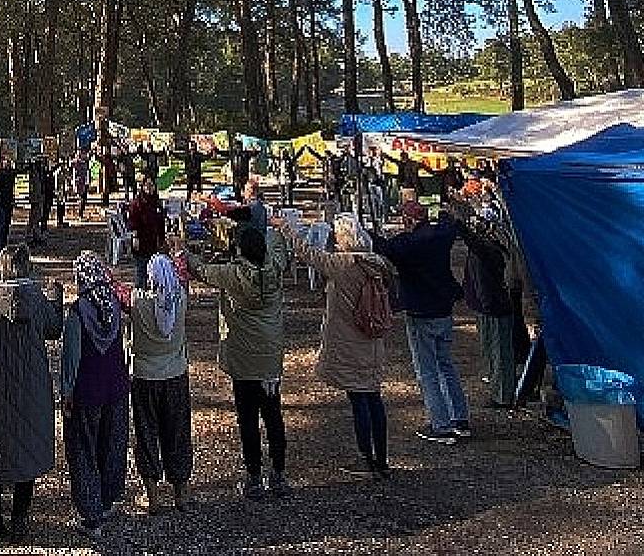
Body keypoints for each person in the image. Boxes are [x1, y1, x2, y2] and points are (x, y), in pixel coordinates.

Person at [275, 214, 397, 479]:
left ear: (343, 237)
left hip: (351, 340)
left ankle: (366, 457)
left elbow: (307, 253)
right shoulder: (377, 263)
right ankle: (382, 458)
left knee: (359, 399)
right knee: (374, 397)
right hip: (373, 339)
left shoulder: (343, 264)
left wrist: (287, 230)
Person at [186, 226, 290, 499]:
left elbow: (202, 270)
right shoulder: (275, 266)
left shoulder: (234, 274)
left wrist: (184, 254)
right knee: (273, 415)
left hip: (243, 357)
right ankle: (279, 473)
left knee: (247, 418)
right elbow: (277, 240)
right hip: (270, 355)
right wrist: (273, 227)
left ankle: (254, 477)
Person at [0, 244, 64, 543]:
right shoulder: (37, 297)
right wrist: (56, 297)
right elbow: (53, 328)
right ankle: (21, 517)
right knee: (27, 447)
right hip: (32, 382)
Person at [373, 200, 470, 444]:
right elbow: (450, 222)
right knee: (446, 365)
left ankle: (440, 424)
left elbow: (381, 246)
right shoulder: (440, 236)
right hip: (443, 308)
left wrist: (367, 232)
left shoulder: (407, 245)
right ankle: (460, 418)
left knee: (427, 370)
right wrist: (444, 212)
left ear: (407, 220)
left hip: (420, 311)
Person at [60, 252, 130, 538]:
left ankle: (91, 514)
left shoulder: (78, 313)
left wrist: (66, 392)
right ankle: (108, 498)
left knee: (84, 451)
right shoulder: (113, 304)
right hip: (115, 387)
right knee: (111, 446)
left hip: (87, 391)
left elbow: (71, 358)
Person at [128, 253, 193, 514]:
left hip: (145, 376)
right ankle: (181, 493)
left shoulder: (137, 302)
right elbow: (183, 273)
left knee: (146, 433)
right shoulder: (181, 301)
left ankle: (152, 494)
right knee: (177, 431)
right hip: (175, 374)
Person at [454, 203, 516, 408]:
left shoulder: (489, 250)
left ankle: (503, 395)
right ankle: (499, 390)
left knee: (500, 355)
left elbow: (476, 245)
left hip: (493, 307)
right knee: (493, 352)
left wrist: (458, 226)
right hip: (487, 306)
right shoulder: (488, 248)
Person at [126, 176, 165, 287]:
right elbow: (132, 222)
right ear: (142, 187)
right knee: (141, 270)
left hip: (153, 242)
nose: (149, 188)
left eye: (151, 185)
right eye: (147, 185)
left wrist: (162, 238)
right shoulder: (136, 203)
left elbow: (160, 220)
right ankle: (140, 295)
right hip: (141, 242)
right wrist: (135, 237)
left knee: (153, 272)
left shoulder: (156, 202)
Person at [0, 157, 18, 244]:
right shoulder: (11, 174)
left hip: (1, 200)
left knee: (1, 220)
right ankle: (4, 239)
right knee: (6, 221)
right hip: (7, 200)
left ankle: (1, 238)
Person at [26, 157, 48, 246]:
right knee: (34, 218)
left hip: (39, 197)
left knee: (37, 217)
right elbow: (33, 188)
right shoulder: (34, 174)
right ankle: (32, 237)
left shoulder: (38, 173)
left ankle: (36, 236)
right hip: (36, 198)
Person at [72, 149, 90, 219]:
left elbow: (87, 173)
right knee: (82, 198)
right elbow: (75, 174)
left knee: (84, 199)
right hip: (80, 182)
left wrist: (88, 182)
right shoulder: (77, 163)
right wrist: (74, 183)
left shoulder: (85, 162)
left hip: (85, 182)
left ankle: (81, 213)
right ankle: (80, 214)